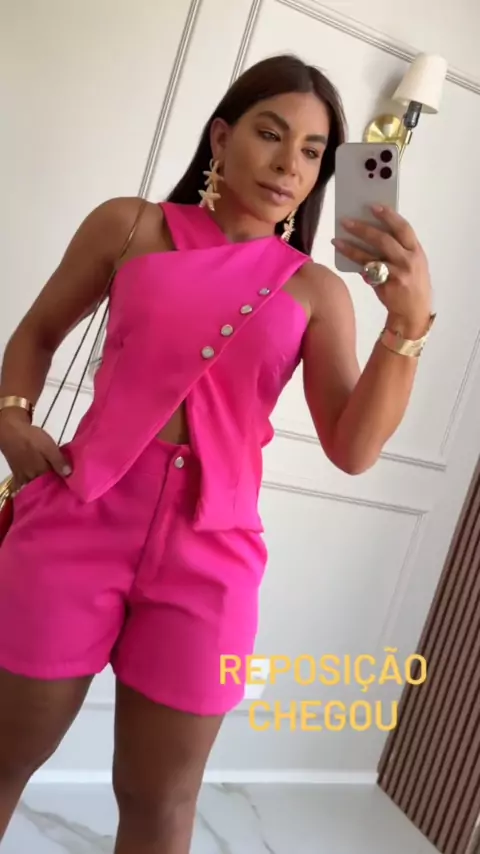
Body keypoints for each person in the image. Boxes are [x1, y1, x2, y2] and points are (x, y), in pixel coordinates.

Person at [0, 53, 433, 853]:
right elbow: (36, 333)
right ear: (222, 136)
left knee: (161, 801)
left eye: (313, 151)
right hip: (77, 520)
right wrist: (11, 419)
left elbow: (353, 448)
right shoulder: (129, 227)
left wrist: (406, 325)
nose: (289, 163)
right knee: (3, 756)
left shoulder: (316, 291)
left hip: (210, 556)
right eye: (271, 134)